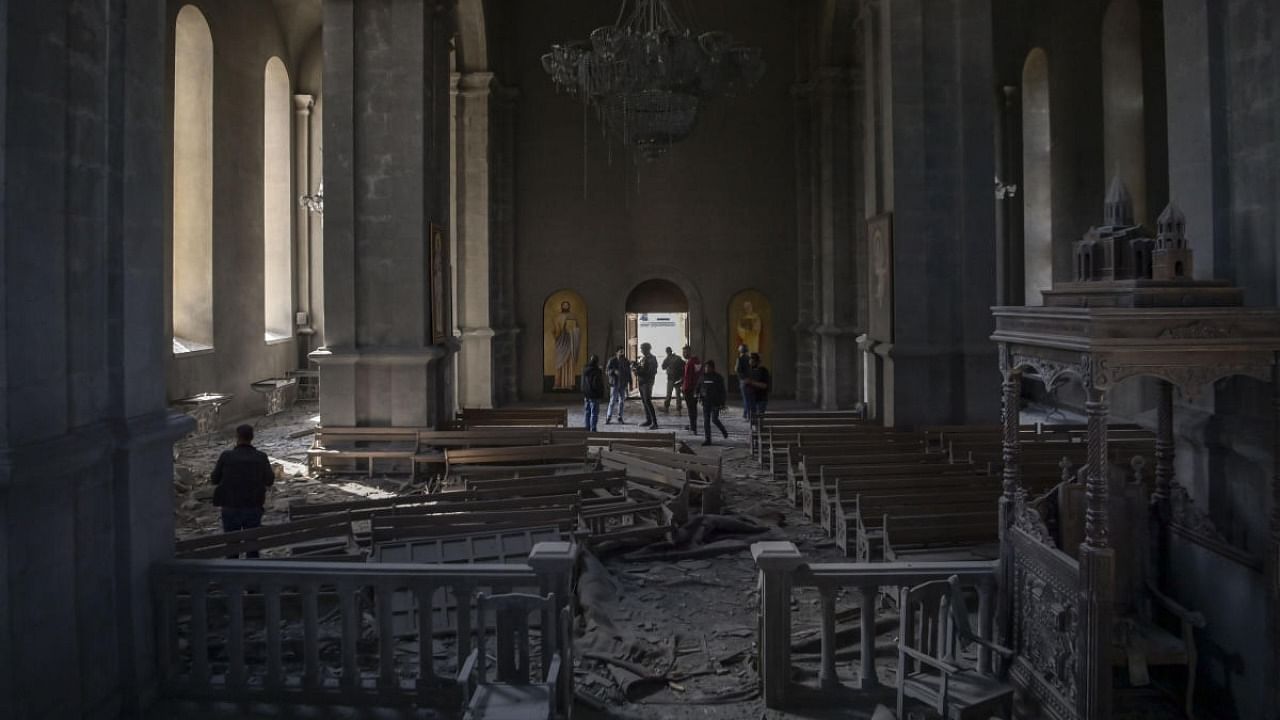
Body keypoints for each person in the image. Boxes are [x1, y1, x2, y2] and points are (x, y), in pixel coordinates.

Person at [210, 424, 275, 559]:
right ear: (252, 438)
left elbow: (214, 479)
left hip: (230, 505)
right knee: (252, 546)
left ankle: (234, 575)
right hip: (253, 505)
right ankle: (252, 576)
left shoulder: (226, 456)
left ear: (237, 437)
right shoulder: (261, 457)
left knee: (232, 545)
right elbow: (269, 480)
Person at [697, 360, 730, 446]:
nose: (706, 369)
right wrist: (697, 395)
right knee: (706, 422)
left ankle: (723, 431)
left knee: (714, 419)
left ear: (712, 368)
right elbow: (698, 387)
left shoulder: (718, 377)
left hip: (715, 403)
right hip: (705, 402)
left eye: (708, 367)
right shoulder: (702, 377)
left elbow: (722, 391)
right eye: (705, 367)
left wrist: (722, 403)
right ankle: (708, 440)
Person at [552, 300, 582, 390]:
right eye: (564, 305)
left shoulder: (573, 316)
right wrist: (561, 330)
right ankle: (558, 383)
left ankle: (569, 383)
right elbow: (554, 331)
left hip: (570, 342)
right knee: (559, 363)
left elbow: (577, 329)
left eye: (567, 305)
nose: (565, 307)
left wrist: (573, 329)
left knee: (569, 363)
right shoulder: (557, 317)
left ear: (569, 307)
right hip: (561, 342)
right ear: (561, 306)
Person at [635, 342, 659, 428]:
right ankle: (648, 420)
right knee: (644, 402)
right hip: (642, 382)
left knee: (648, 401)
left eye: (642, 349)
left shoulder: (652, 359)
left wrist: (638, 371)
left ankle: (654, 423)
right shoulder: (644, 358)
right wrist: (637, 368)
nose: (641, 350)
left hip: (647, 383)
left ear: (647, 349)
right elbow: (643, 368)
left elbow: (651, 372)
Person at [605, 346, 632, 424]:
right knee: (612, 401)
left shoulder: (626, 361)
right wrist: (613, 371)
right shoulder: (612, 360)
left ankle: (620, 417)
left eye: (623, 351)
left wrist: (630, 382)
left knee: (621, 402)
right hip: (615, 384)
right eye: (620, 351)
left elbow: (628, 372)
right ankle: (608, 417)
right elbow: (607, 371)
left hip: (623, 384)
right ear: (616, 352)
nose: (622, 353)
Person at [680, 345, 702, 434]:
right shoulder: (690, 362)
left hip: (691, 389)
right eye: (683, 352)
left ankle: (693, 428)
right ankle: (693, 426)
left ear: (690, 352)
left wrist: (691, 388)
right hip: (690, 389)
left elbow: (696, 376)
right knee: (691, 409)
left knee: (692, 409)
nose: (684, 354)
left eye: (685, 352)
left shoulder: (693, 362)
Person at [580, 354, 605, 432]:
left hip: (586, 394)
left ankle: (587, 427)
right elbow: (597, 384)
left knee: (587, 412)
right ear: (597, 362)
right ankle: (593, 429)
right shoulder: (597, 371)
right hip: (594, 395)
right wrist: (601, 393)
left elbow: (583, 383)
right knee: (594, 413)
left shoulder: (584, 370)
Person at [744, 352, 772, 421]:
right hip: (751, 400)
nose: (751, 363)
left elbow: (765, 385)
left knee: (759, 421)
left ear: (757, 362)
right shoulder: (749, 371)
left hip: (761, 399)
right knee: (753, 422)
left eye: (752, 361)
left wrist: (752, 382)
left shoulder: (763, 371)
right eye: (750, 361)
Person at [661, 346, 686, 413]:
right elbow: (684, 365)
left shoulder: (668, 359)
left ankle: (666, 408)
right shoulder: (678, 358)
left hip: (671, 378)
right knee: (678, 395)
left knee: (669, 394)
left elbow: (663, 367)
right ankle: (679, 410)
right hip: (677, 378)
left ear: (668, 352)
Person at [735, 344, 753, 419]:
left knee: (746, 399)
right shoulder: (749, 358)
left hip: (743, 381)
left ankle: (748, 414)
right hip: (750, 380)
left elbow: (737, 370)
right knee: (749, 398)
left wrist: (743, 378)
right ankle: (745, 413)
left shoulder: (739, 359)